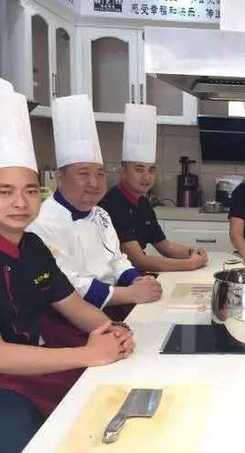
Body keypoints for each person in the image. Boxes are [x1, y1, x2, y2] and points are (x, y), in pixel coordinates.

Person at [0, 76, 132, 453]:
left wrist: (111, 330)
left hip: (26, 367)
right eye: (5, 191)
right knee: (32, 446)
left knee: (93, 409)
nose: (21, 202)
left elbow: (75, 307)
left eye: (30, 191)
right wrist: (87, 353)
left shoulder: (33, 248)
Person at [28, 95, 162, 347]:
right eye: (83, 173)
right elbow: (69, 285)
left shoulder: (100, 214)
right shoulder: (41, 223)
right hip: (65, 325)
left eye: (99, 173)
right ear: (59, 177)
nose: (94, 182)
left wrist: (135, 279)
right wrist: (129, 293)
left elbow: (117, 259)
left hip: (111, 309)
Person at [99, 104, 208, 272]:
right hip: (114, 277)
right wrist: (191, 263)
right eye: (139, 169)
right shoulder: (113, 204)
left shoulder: (143, 203)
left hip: (135, 276)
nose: (146, 177)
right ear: (123, 172)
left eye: (151, 170)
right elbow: (138, 260)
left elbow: (166, 247)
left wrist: (192, 252)